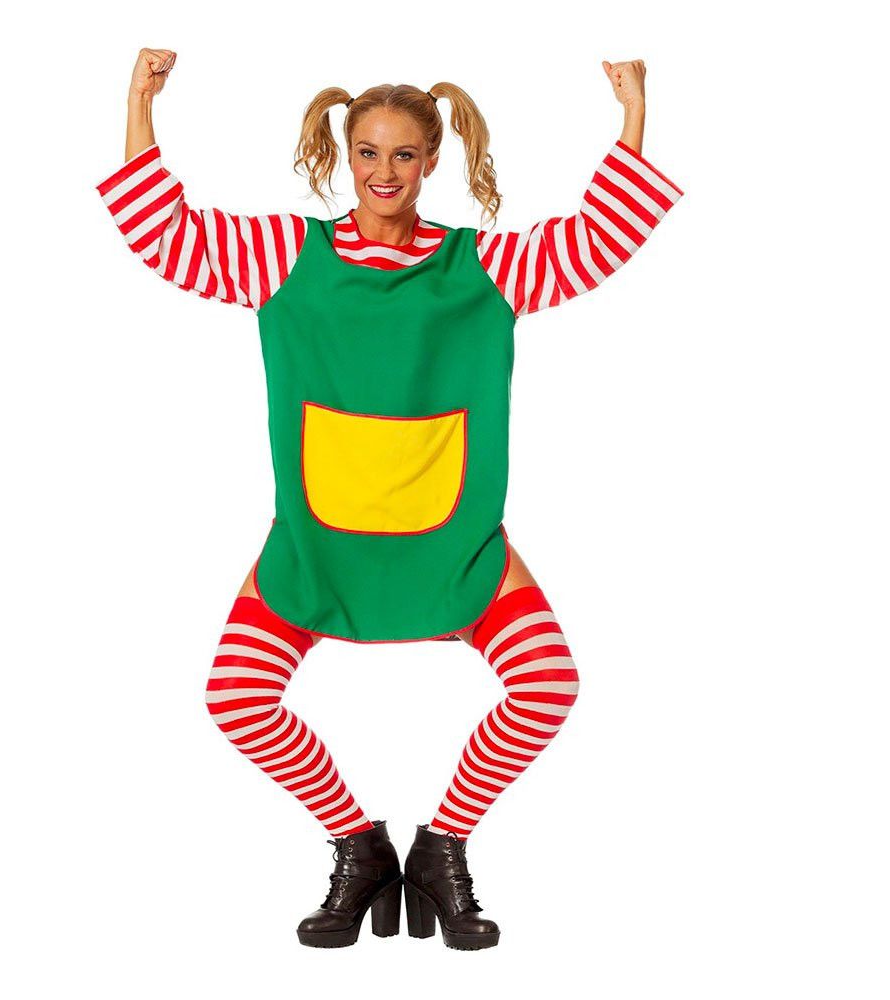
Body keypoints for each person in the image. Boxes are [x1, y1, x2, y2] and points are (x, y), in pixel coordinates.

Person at [96, 48, 684, 950]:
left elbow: (595, 240)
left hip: (451, 542)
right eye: (367, 152)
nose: (383, 172)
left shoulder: (480, 267)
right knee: (237, 696)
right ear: (346, 154)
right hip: (321, 542)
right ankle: (359, 847)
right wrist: (139, 100)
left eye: (403, 154)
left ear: (431, 160)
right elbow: (163, 234)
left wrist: (633, 113)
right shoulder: (285, 256)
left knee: (547, 682)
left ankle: (441, 850)